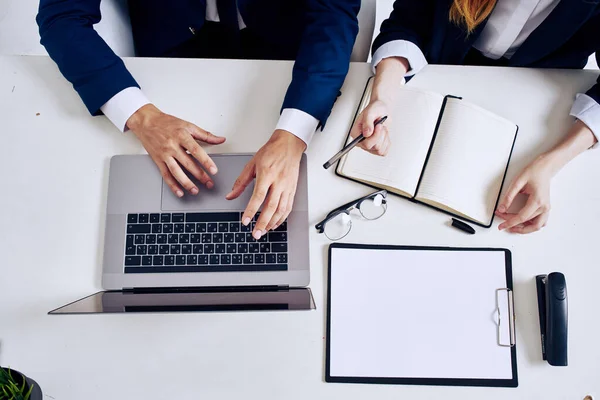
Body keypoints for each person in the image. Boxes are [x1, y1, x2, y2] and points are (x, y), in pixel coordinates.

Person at [36, 0, 360, 239]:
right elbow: (62, 18)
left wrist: (293, 134)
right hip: (168, 44)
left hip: (289, 45)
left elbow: (333, 20)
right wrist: (140, 116)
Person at [352, 0, 600, 234]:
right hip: (438, 64)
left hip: (542, 89)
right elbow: (408, 22)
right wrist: (382, 96)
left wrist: (551, 163)